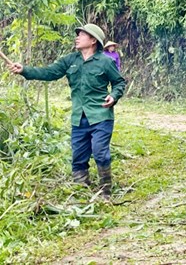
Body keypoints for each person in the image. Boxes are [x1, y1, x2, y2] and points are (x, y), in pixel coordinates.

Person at [8, 24, 126, 199]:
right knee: (78, 156)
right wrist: (24, 70)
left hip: (101, 115)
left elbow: (119, 82)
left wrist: (114, 96)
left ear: (93, 40)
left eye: (82, 34)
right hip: (79, 117)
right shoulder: (70, 61)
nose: (77, 37)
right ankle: (81, 190)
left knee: (100, 152)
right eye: (77, 34)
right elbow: (49, 72)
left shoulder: (105, 61)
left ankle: (105, 191)